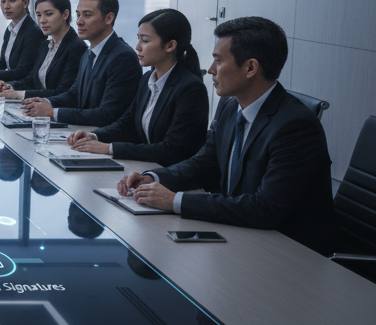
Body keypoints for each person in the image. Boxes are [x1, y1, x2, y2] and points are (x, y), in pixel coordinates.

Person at [118, 16, 335, 255]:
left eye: (218, 61)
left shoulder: (296, 127)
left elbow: (265, 208)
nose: (210, 70)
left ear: (251, 67)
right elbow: (204, 164)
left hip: (288, 253)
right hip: (240, 237)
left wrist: (174, 201)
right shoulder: (231, 107)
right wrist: (154, 179)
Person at [66, 8, 208, 166]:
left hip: (171, 178)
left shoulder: (191, 89)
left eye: (145, 41)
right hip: (146, 168)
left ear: (170, 45)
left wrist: (109, 148)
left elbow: (171, 150)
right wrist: (94, 136)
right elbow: (127, 124)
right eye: (138, 39)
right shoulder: (148, 79)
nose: (137, 47)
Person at [21, 0, 139, 126]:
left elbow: (107, 115)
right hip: (82, 133)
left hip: (100, 139)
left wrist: (53, 112)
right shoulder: (90, 52)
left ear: (109, 18)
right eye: (78, 15)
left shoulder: (123, 57)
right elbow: (74, 94)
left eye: (87, 15)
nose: (78, 22)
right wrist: (45, 102)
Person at [0, 0, 86, 100]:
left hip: (53, 112)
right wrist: (9, 86)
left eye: (48, 14)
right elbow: (31, 80)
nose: (42, 21)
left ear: (65, 14)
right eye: (39, 15)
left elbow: (63, 92)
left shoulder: (77, 47)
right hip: (37, 109)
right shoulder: (46, 45)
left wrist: (19, 95)